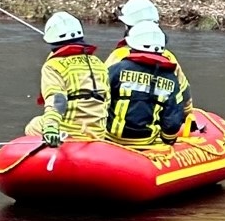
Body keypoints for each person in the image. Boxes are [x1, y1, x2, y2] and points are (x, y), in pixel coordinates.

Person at [106, 19, 191, 146]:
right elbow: (173, 119)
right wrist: (169, 139)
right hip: (146, 142)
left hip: (110, 138)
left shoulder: (117, 69)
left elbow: (99, 97)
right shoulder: (170, 79)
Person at [31, 11, 111, 145]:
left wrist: (51, 127)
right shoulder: (98, 63)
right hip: (98, 132)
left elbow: (56, 99)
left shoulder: (53, 65)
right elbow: (107, 100)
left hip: (70, 131)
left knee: (32, 125)